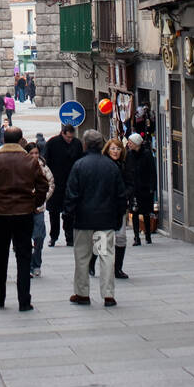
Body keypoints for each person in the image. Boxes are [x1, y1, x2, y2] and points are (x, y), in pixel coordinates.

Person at [0, 126, 48, 312]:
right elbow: (43, 186)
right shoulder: (30, 162)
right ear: (20, 140)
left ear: (4, 140)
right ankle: (24, 300)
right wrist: (33, 203)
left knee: (0, 256)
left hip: (1, 213)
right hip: (24, 213)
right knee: (24, 257)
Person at [65, 131, 127, 307]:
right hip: (105, 220)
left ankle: (82, 293)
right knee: (106, 256)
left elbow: (71, 194)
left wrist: (69, 216)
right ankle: (108, 294)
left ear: (85, 144)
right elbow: (120, 195)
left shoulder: (79, 165)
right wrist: (118, 217)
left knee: (82, 256)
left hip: (83, 220)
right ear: (101, 145)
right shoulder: (111, 166)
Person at [44, 125, 84, 246]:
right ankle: (53, 236)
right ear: (62, 133)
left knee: (70, 212)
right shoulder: (52, 143)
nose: (70, 140)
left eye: (72, 137)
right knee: (53, 213)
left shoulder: (77, 143)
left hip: (71, 183)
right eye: (68, 137)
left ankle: (69, 237)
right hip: (56, 183)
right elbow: (46, 161)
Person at [23, 141, 53, 277]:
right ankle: (28, 264)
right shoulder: (21, 167)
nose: (35, 155)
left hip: (39, 208)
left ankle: (36, 263)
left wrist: (42, 199)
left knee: (39, 237)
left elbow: (51, 184)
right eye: (32, 153)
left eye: (36, 153)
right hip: (25, 208)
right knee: (25, 239)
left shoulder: (44, 167)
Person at [103, 138, 132, 280]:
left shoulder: (124, 165)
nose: (115, 151)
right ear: (108, 150)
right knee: (102, 238)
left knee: (121, 238)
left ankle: (118, 268)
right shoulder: (103, 165)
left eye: (118, 149)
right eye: (113, 149)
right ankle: (94, 261)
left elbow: (130, 183)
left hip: (119, 207)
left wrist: (124, 194)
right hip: (104, 207)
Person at [126, 132, 157, 244]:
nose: (128, 144)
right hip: (134, 189)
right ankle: (136, 237)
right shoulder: (129, 154)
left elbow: (152, 171)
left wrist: (152, 187)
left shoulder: (147, 154)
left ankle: (148, 236)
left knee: (146, 213)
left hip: (145, 188)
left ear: (136, 143)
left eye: (130, 142)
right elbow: (127, 171)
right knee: (134, 213)